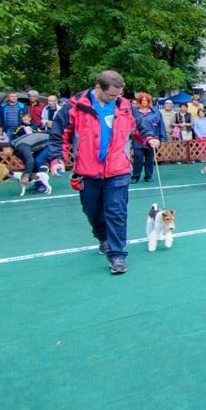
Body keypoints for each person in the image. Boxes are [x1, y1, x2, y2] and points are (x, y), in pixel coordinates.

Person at [49, 70, 161, 275]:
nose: (115, 99)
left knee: (116, 211)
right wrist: (57, 159)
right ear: (98, 87)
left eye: (118, 95)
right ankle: (102, 237)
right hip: (87, 170)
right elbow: (59, 135)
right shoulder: (75, 106)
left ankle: (117, 255)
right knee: (92, 211)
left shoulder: (125, 106)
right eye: (111, 95)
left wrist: (149, 138)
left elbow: (139, 128)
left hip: (118, 169)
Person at [131, 93, 165, 183]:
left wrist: (161, 137)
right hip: (138, 138)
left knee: (150, 158)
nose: (144, 102)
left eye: (146, 100)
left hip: (153, 138)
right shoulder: (134, 111)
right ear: (139, 101)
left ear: (149, 101)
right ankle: (135, 176)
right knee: (137, 158)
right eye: (142, 100)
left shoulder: (156, 111)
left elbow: (161, 124)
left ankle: (148, 176)